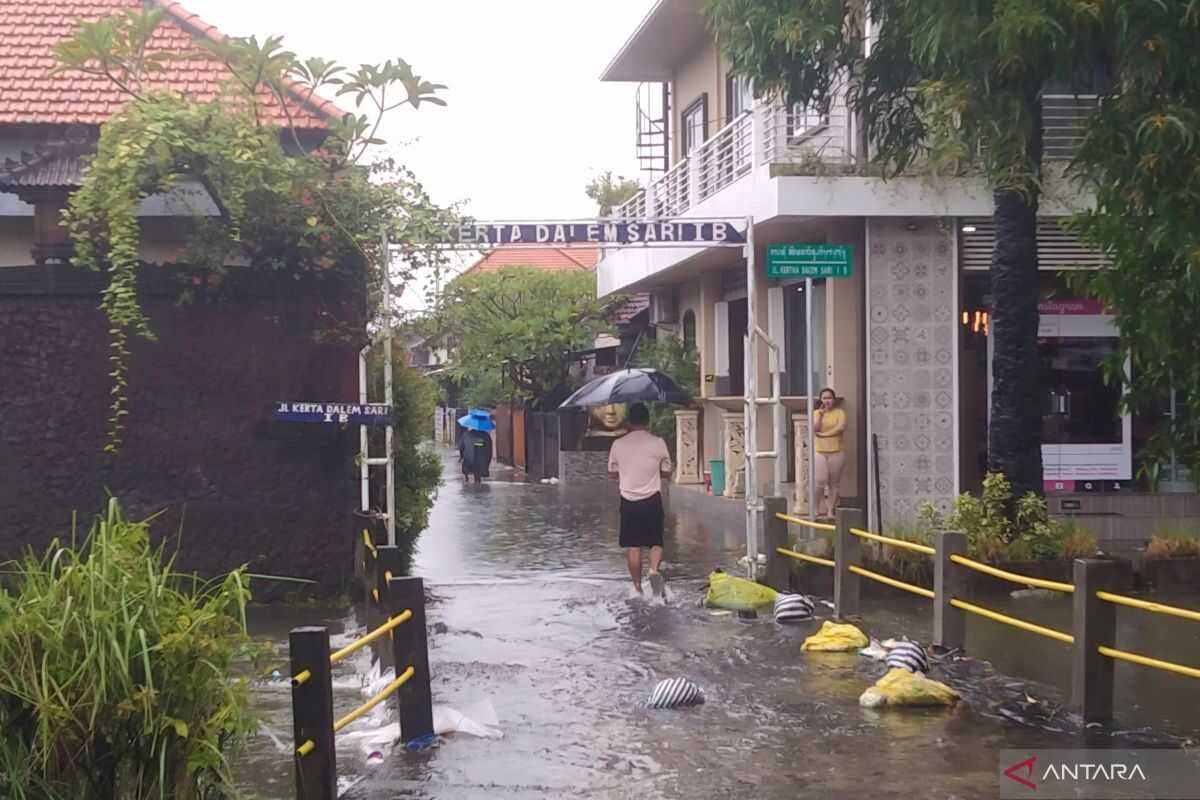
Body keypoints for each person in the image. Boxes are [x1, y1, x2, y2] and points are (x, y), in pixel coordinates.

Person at [607, 402, 672, 597]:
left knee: (633, 546)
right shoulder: (658, 442)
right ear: (648, 421)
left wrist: (626, 472)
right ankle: (653, 570)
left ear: (629, 421)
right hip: (652, 499)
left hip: (628, 501)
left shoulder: (618, 444)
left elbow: (612, 473)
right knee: (656, 542)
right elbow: (667, 472)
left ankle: (637, 587)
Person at [812, 387, 848, 519]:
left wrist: (825, 435)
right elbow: (815, 428)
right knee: (820, 480)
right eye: (824, 398)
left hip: (837, 450)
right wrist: (820, 415)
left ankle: (830, 510)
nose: (827, 401)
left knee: (834, 483)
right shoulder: (816, 413)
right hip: (820, 451)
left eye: (830, 398)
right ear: (821, 400)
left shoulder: (840, 412)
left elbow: (841, 427)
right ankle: (816, 507)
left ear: (834, 400)